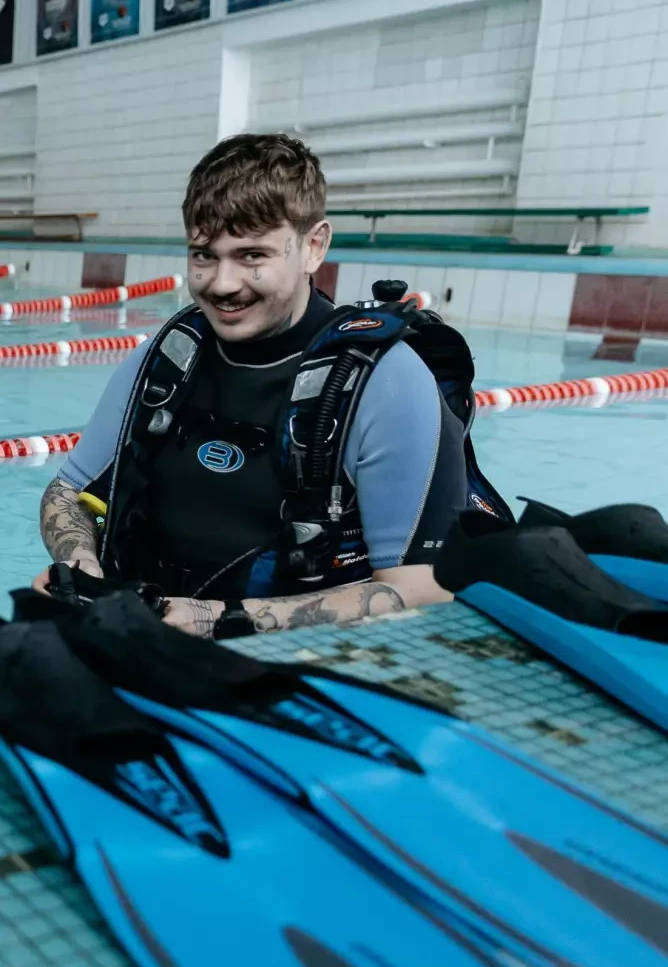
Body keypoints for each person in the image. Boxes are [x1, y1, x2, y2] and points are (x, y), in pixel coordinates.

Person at [36, 133, 499, 638]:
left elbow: (424, 590)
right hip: (146, 637)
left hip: (298, 664)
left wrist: (220, 620)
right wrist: (83, 575)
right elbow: (68, 493)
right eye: (204, 255)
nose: (222, 284)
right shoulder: (171, 358)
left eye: (252, 255)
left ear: (312, 246)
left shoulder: (385, 382)